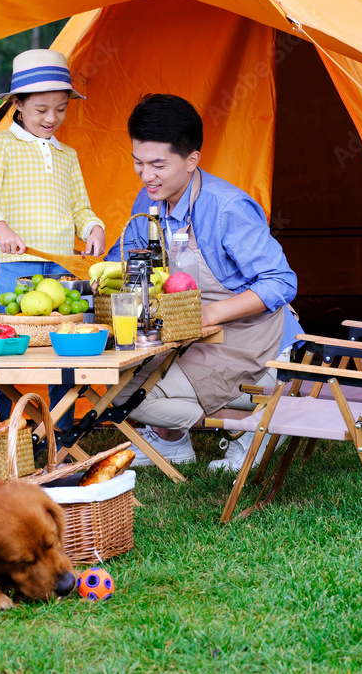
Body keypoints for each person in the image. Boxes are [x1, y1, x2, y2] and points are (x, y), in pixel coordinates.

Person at [107, 94, 302, 471]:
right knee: (118, 392)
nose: (147, 175)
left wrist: (211, 313)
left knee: (137, 400)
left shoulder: (227, 207)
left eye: (158, 165)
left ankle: (258, 425)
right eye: (138, 163)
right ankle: (174, 441)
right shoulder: (147, 201)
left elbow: (281, 282)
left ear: (192, 159)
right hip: (190, 339)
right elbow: (123, 261)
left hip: (257, 342)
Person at [0, 49, 105, 427]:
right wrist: (1, 228)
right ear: (17, 103)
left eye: (60, 108)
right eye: (42, 108)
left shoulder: (67, 155)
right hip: (19, 269)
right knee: (3, 349)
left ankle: (62, 429)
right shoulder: (4, 146)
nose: (51, 118)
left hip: (62, 270)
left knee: (64, 349)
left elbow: (81, 209)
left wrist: (93, 227)